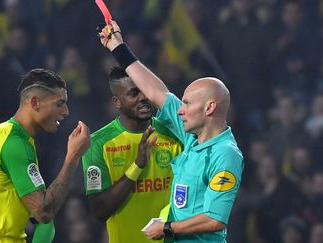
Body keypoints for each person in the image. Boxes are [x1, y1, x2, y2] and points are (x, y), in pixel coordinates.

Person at [98, 21, 244, 242]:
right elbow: (156, 91)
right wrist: (117, 47)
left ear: (209, 107)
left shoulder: (225, 153)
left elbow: (215, 219)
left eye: (186, 104)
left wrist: (167, 228)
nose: (181, 110)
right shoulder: (192, 137)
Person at [0, 68, 91, 242]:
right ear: (35, 103)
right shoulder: (15, 144)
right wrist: (73, 157)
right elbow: (44, 212)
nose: (66, 111)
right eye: (59, 103)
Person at [82, 66, 182, 243]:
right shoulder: (98, 144)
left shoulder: (175, 133)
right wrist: (137, 166)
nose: (143, 97)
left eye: (144, 91)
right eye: (133, 93)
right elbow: (99, 211)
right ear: (117, 101)